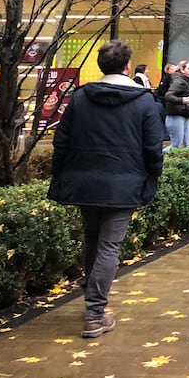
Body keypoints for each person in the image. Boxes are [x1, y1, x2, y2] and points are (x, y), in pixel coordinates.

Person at [47, 40, 164, 339]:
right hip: (124, 183)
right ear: (127, 66)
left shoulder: (81, 98)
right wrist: (152, 179)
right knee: (109, 246)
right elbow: (153, 147)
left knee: (93, 240)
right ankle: (95, 313)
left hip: (84, 181)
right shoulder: (144, 101)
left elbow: (62, 141)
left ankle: (92, 295)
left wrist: (59, 175)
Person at [162, 61, 189, 148]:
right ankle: (155, 159)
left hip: (184, 115)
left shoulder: (184, 81)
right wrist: (182, 100)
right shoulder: (179, 81)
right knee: (176, 145)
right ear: (182, 70)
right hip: (176, 116)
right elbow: (168, 95)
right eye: (188, 68)